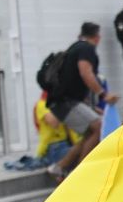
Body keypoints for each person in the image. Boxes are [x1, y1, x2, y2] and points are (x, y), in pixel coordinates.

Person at [46, 23, 118, 181]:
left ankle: (58, 168)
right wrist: (103, 94)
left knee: (90, 133)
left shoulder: (75, 48)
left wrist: (91, 107)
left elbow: (74, 82)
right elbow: (85, 72)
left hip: (63, 101)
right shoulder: (86, 49)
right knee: (98, 127)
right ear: (97, 37)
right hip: (67, 102)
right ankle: (79, 175)